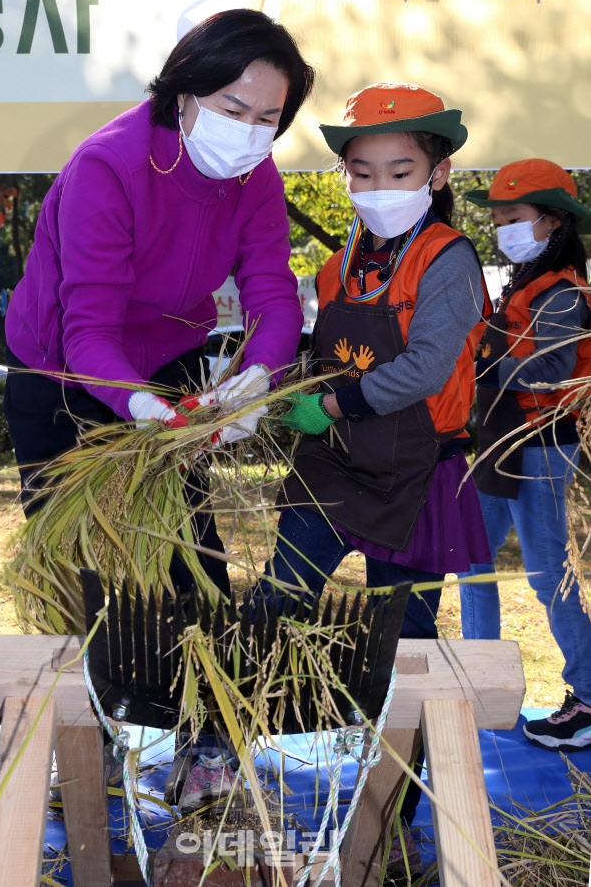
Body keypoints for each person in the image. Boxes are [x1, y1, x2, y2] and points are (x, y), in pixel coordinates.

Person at [3, 7, 314, 800]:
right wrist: (137, 408)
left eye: (268, 119)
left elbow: (273, 291)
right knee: (76, 560)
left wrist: (259, 374)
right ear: (184, 92)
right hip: (66, 374)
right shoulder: (109, 165)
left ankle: (206, 738)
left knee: (191, 557)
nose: (249, 131)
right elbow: (89, 327)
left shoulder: (254, 173)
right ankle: (94, 734)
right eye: (233, 109)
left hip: (166, 362)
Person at [254, 83, 493, 869]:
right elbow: (317, 356)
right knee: (272, 605)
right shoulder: (337, 264)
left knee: (410, 651)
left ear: (439, 172)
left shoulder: (449, 259)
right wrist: (271, 390)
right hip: (333, 467)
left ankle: (394, 812)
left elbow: (428, 366)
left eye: (400, 170)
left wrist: (339, 402)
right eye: (363, 171)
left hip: (419, 474)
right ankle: (226, 768)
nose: (379, 188)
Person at [459, 159, 591, 752]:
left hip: (539, 445)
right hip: (499, 440)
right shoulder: (522, 280)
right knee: (473, 562)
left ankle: (587, 696)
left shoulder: (562, 291)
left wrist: (477, 363)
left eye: (513, 218)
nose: (501, 229)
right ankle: (480, 686)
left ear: (553, 221)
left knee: (547, 576)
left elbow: (553, 369)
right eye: (497, 219)